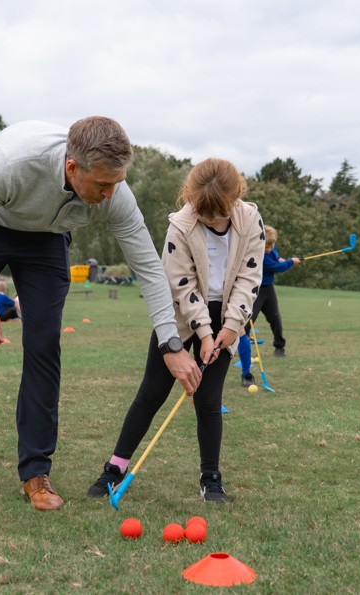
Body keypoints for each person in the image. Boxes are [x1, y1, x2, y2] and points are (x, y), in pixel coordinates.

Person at [0, 117, 202, 513]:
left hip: (45, 240)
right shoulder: (13, 164)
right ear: (73, 168)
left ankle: (36, 472)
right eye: (103, 185)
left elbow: (148, 267)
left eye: (116, 184)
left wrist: (170, 342)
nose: (110, 195)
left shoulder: (115, 193)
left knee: (43, 346)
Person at [87, 157, 264, 503]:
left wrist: (230, 326)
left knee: (209, 400)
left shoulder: (250, 219)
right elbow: (180, 285)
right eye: (204, 213)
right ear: (191, 199)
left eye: (219, 213)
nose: (211, 220)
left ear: (235, 198)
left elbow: (249, 276)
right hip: (179, 315)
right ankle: (116, 467)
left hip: (227, 315)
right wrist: (202, 332)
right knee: (151, 393)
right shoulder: (180, 226)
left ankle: (210, 477)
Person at [237, 225, 299, 384]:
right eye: (267, 246)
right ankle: (243, 350)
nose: (270, 249)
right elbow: (276, 267)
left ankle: (279, 347)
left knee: (275, 318)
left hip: (268, 290)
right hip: (256, 291)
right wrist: (291, 262)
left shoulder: (270, 249)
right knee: (248, 320)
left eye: (272, 246)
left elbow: (275, 257)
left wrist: (278, 256)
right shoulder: (260, 256)